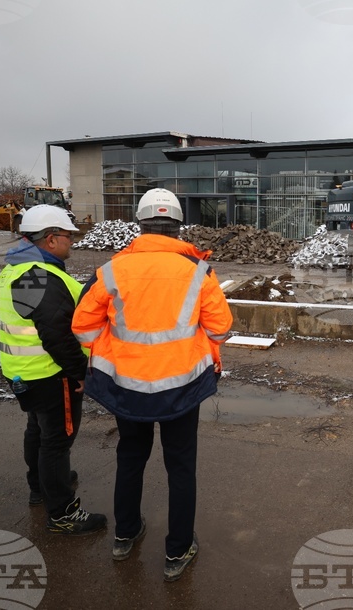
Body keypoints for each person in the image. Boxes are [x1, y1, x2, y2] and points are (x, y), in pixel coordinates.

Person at [72, 188, 232, 582]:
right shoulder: (198, 271)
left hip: (127, 389)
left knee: (130, 457)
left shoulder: (111, 271)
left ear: (140, 225)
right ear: (178, 227)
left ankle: (125, 534)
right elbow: (221, 327)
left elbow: (83, 327)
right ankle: (177, 551)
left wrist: (115, 354)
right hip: (182, 388)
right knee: (181, 467)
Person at [0, 204, 107, 536]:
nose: (72, 241)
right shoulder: (37, 276)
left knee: (39, 431)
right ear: (51, 239)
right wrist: (79, 373)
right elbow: (56, 334)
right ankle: (61, 512)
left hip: (24, 371)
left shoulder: (20, 269)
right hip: (49, 372)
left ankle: (39, 487)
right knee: (57, 441)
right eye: (68, 235)